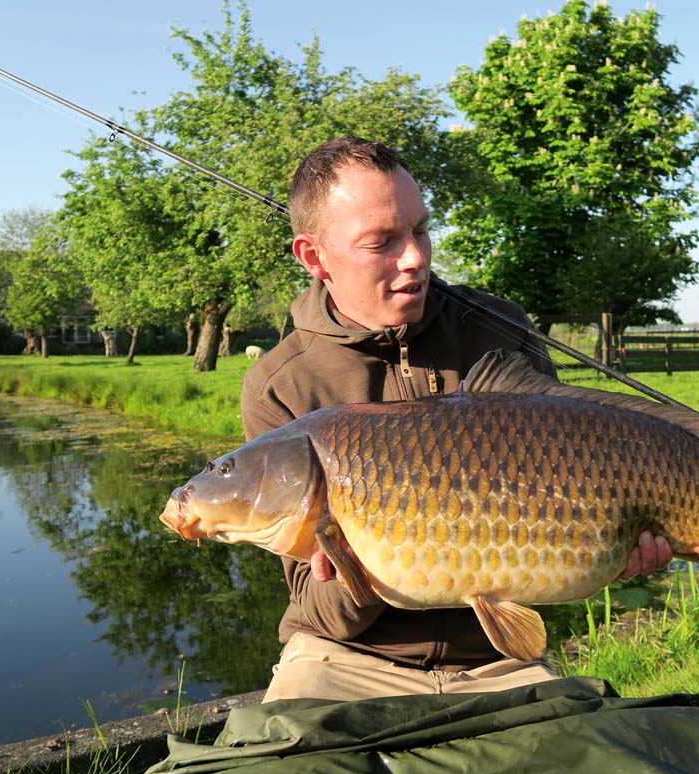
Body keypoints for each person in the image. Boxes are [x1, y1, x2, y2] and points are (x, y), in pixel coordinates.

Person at [241, 136, 672, 702]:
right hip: (345, 660)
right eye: (382, 242)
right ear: (314, 258)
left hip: (498, 657)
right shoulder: (283, 385)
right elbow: (322, 613)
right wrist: (361, 560)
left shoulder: (498, 329)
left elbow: (569, 484)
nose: (416, 257)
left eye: (420, 230)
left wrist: (606, 549)